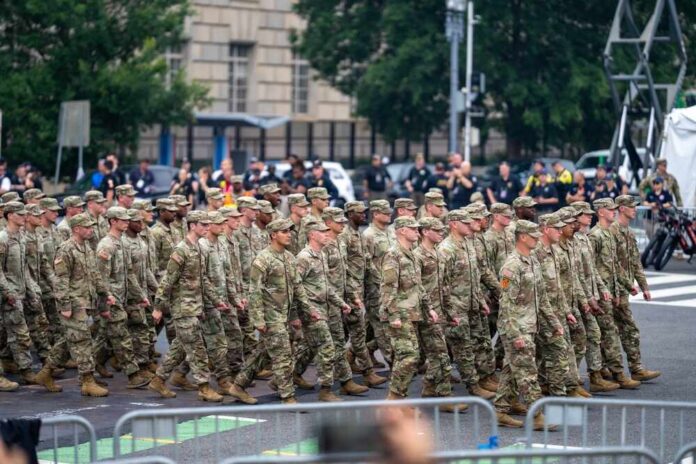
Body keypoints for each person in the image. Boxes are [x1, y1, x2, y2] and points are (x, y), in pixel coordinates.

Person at [148, 210, 228, 402]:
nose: (207, 228)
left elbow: (203, 279)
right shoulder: (181, 250)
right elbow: (168, 280)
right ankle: (204, 387)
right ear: (192, 226)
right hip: (183, 308)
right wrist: (158, 307)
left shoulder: (199, 248)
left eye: (208, 224)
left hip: (195, 306)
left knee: (180, 348)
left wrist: (216, 300)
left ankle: (158, 380)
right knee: (197, 348)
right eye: (203, 225)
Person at [34, 213, 116, 396]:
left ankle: (46, 373)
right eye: (87, 227)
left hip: (85, 301)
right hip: (73, 303)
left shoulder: (86, 247)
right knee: (83, 340)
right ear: (76, 229)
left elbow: (95, 274)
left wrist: (105, 293)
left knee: (68, 340)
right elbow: (61, 281)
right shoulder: (66, 249)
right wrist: (65, 306)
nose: (91, 230)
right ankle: (87, 381)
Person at [232, 218, 313, 404]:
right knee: (283, 354)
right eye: (284, 231)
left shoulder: (289, 257)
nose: (289, 234)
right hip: (270, 316)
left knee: (263, 353)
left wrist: (301, 313)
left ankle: (238, 386)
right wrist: (258, 319)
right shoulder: (263, 259)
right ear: (273, 235)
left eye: (289, 231)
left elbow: (296, 288)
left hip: (283, 314)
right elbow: (254, 291)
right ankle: (288, 396)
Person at [494, 220, 562, 430]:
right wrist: (515, 335)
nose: (538, 238)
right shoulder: (511, 266)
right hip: (516, 328)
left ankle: (500, 411)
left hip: (530, 325)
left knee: (511, 370)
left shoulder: (532, 261)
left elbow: (541, 298)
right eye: (533, 236)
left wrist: (553, 322)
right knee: (527, 372)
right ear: (522, 237)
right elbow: (506, 305)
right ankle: (537, 416)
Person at [294, 220, 353, 401]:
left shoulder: (321, 255)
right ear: (312, 235)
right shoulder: (304, 257)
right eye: (322, 232)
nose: (326, 234)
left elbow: (324, 286)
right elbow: (295, 286)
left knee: (311, 346)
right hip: (311, 310)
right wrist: (303, 311)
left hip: (324, 307)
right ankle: (325, 390)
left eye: (327, 231)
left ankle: (289, 375)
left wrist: (340, 302)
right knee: (327, 347)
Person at [438, 210, 494, 399]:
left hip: (472, 304)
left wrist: (479, 300)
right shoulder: (446, 249)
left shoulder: (468, 245)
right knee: (463, 349)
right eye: (466, 222)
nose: (471, 225)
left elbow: (476, 276)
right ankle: (473, 385)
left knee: (479, 343)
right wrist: (449, 311)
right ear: (454, 224)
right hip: (456, 307)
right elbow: (442, 284)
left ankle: (483, 377)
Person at [93, 206, 152, 388]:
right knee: (122, 337)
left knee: (102, 339)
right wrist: (105, 301)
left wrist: (140, 295)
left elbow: (129, 274)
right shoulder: (106, 245)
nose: (127, 222)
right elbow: (100, 278)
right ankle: (133, 375)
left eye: (128, 219)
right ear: (112, 221)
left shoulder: (122, 244)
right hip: (111, 300)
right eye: (123, 219)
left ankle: (59, 368)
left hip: (121, 297)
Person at [381, 216, 438, 401]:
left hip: (412, 312)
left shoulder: (411, 253)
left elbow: (418, 285)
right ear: (402, 230)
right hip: (399, 313)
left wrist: (428, 307)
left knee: (409, 357)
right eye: (413, 228)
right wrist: (394, 315)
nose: (417, 231)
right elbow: (388, 287)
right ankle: (394, 400)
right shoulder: (393, 254)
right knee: (409, 356)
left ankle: (398, 399)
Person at [589, 198, 642, 389]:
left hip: (611, 291)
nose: (614, 212)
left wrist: (623, 288)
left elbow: (613, 267)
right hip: (600, 293)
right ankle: (617, 374)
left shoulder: (609, 235)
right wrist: (594, 294)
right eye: (610, 209)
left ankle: (608, 370)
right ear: (601, 212)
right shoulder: (595, 236)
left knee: (608, 333)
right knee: (607, 334)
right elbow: (591, 269)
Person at [414, 217, 465, 412]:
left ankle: (428, 388)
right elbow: (417, 288)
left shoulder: (437, 254)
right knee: (441, 355)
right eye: (436, 230)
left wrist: (450, 312)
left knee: (436, 355)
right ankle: (444, 397)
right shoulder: (418, 256)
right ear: (425, 232)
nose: (441, 233)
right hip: (426, 313)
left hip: (439, 312)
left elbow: (444, 286)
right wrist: (429, 310)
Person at [610, 195, 661, 381]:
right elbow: (611, 265)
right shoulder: (612, 231)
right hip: (613, 289)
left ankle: (618, 369)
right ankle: (632, 368)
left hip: (623, 290)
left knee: (615, 330)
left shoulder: (629, 233)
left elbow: (635, 262)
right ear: (621, 208)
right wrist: (626, 284)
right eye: (631, 206)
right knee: (626, 330)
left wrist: (644, 286)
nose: (634, 209)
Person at [341, 201, 387, 387]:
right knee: (353, 332)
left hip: (361, 289)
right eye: (360, 213)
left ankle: (354, 364)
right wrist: (353, 294)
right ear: (350, 214)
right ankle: (362, 371)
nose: (364, 215)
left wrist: (380, 283)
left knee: (357, 331)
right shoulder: (344, 236)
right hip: (349, 292)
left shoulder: (358, 235)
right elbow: (343, 268)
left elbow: (367, 263)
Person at [0, 202, 41, 385]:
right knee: (16, 334)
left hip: (19, 292)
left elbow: (24, 269)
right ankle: (21, 370)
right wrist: (8, 292)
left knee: (18, 334)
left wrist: (32, 290)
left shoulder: (21, 238)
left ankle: (23, 369)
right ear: (9, 215)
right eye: (20, 214)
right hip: (7, 295)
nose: (25, 216)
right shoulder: (3, 239)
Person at [363, 200, 395, 367]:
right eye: (385, 212)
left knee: (371, 324)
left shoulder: (391, 232)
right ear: (375, 214)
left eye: (390, 212)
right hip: (376, 288)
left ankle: (357, 351)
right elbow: (366, 265)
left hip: (392, 287)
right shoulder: (369, 235)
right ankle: (394, 362)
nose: (390, 215)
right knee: (383, 326)